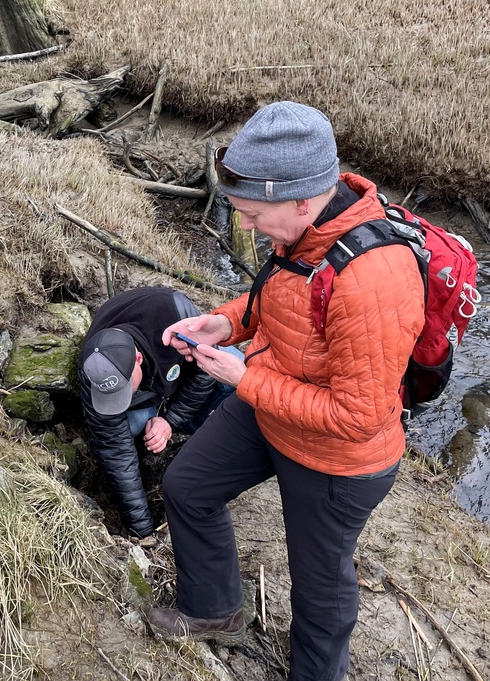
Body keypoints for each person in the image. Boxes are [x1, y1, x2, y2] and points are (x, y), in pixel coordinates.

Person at [149, 101, 425, 681]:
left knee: (319, 590)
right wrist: (223, 324)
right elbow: (281, 304)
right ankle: (214, 611)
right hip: (275, 406)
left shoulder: (373, 276)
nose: (244, 226)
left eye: (251, 213)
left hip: (337, 460)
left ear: (302, 197)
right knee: (188, 486)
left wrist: (243, 378)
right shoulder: (303, 231)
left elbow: (359, 415)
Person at [78, 286, 239, 541]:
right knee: (128, 428)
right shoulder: (93, 368)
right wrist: (143, 531)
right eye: (113, 395)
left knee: (233, 376)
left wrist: (169, 420)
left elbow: (205, 375)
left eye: (124, 391)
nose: (121, 399)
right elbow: (116, 453)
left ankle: (192, 432)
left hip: (176, 368)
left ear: (138, 358)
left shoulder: (175, 323)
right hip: (152, 389)